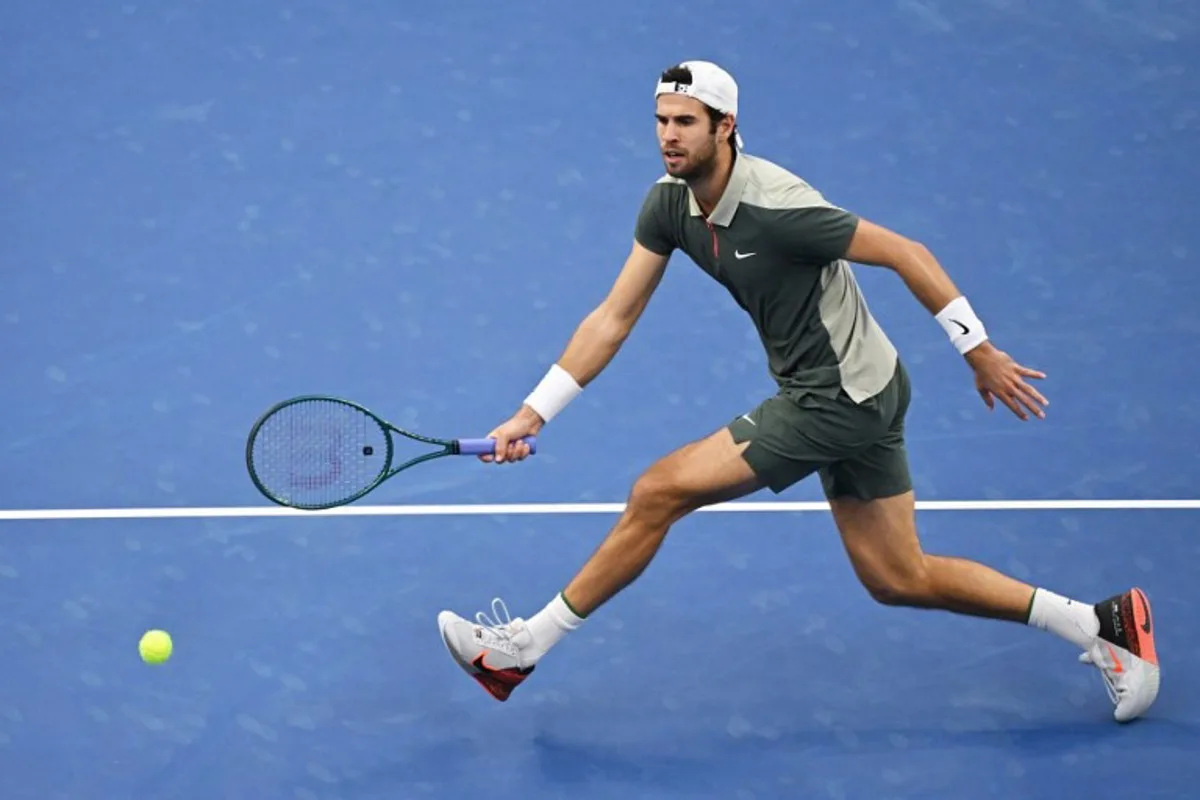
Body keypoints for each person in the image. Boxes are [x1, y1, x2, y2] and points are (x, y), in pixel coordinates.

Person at [436, 60, 1159, 723]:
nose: (668, 136)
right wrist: (533, 413)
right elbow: (613, 318)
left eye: (685, 122)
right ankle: (1103, 626)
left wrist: (979, 351)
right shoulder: (668, 207)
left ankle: (520, 650)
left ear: (726, 128)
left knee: (658, 491)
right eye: (661, 121)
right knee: (897, 576)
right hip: (869, 385)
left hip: (836, 399)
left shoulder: (781, 209)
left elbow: (909, 254)